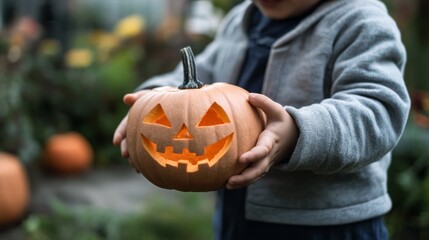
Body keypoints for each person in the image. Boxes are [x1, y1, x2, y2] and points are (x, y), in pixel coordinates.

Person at [113, 0, 410, 239]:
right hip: (239, 216)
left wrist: (296, 134)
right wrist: (150, 102)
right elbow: (202, 77)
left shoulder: (361, 22)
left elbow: (378, 110)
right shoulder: (242, 18)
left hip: (328, 224)